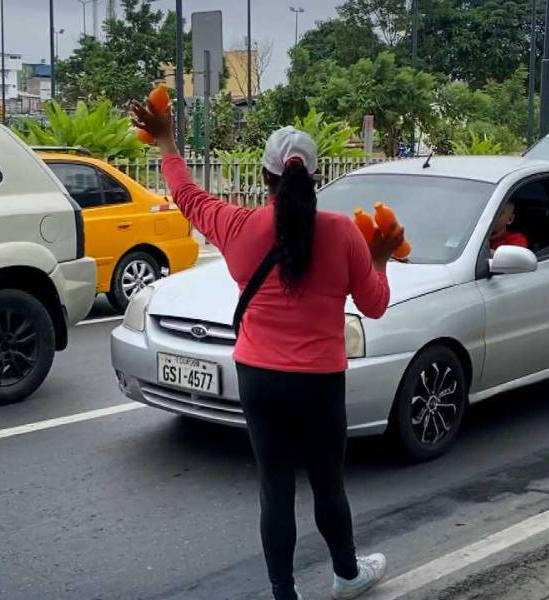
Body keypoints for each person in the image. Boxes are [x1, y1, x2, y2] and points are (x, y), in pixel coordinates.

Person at [131, 102, 404, 600]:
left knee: (274, 489)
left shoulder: (238, 226)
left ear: (264, 176)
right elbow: (376, 304)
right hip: (320, 382)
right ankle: (346, 575)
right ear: (316, 177)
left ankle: (284, 594)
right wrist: (380, 260)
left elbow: (186, 194)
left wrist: (168, 142)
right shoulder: (343, 232)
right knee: (327, 484)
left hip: (259, 377)